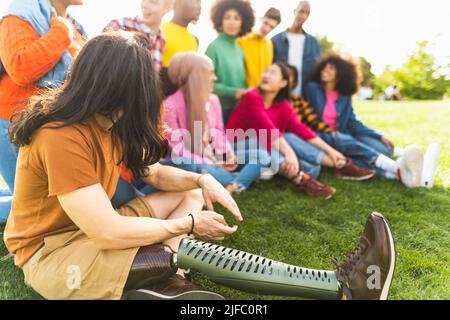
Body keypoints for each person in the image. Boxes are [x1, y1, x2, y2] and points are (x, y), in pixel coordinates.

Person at [5, 33, 397, 302]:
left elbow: (154, 174)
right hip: (54, 255)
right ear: (116, 87)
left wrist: (202, 177)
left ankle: (156, 276)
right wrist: (187, 228)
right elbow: (106, 231)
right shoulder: (61, 135)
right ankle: (341, 288)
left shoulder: (107, 120)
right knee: (177, 252)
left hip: (93, 230)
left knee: (187, 192)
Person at [227, 63, 377, 199]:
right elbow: (269, 130)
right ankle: (300, 178)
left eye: (272, 73)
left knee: (312, 166)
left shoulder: (283, 105)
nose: (266, 75)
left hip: (268, 148)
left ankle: (339, 165)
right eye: (265, 72)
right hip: (235, 148)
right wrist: (290, 154)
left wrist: (331, 151)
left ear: (284, 83)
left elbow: (302, 129)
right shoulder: (251, 97)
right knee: (264, 141)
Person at [0, 0, 87, 223]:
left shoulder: (76, 27)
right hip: (14, 124)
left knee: (62, 202)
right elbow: (20, 67)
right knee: (45, 210)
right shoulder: (20, 12)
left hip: (51, 125)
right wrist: (61, 31)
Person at [303, 54, 437, 187]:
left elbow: (353, 123)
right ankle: (396, 171)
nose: (324, 70)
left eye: (331, 68)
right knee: (352, 152)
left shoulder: (344, 96)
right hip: (322, 137)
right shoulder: (312, 89)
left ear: (341, 74)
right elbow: (304, 116)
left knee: (384, 149)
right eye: (324, 67)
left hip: (345, 136)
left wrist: (378, 136)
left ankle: (410, 167)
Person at [164, 53, 271, 194]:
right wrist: (213, 163)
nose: (215, 78)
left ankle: (232, 184)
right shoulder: (170, 106)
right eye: (210, 74)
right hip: (197, 162)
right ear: (195, 76)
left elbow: (219, 132)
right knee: (198, 168)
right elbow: (177, 150)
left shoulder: (213, 100)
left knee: (263, 156)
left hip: (215, 156)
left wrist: (229, 155)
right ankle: (237, 179)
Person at [206, 0, 254, 124]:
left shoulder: (239, 50)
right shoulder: (214, 47)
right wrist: (232, 92)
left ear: (242, 22)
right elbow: (204, 84)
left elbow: (240, 81)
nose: (232, 22)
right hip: (219, 111)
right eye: (227, 17)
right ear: (220, 21)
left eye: (236, 18)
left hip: (239, 110)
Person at [103, 0, 173, 73]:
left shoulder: (161, 41)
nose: (144, 5)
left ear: (168, 8)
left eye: (153, 1)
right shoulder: (118, 26)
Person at [272, 0, 321, 96]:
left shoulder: (314, 44)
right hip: (279, 95)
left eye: (307, 13)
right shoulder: (276, 40)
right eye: (301, 11)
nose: (304, 16)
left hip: (304, 97)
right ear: (295, 11)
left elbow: (317, 73)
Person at [237, 7, 281, 89]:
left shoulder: (269, 45)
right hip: (242, 92)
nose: (266, 29)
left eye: (271, 27)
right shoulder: (242, 39)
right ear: (261, 19)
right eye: (266, 23)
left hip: (260, 94)